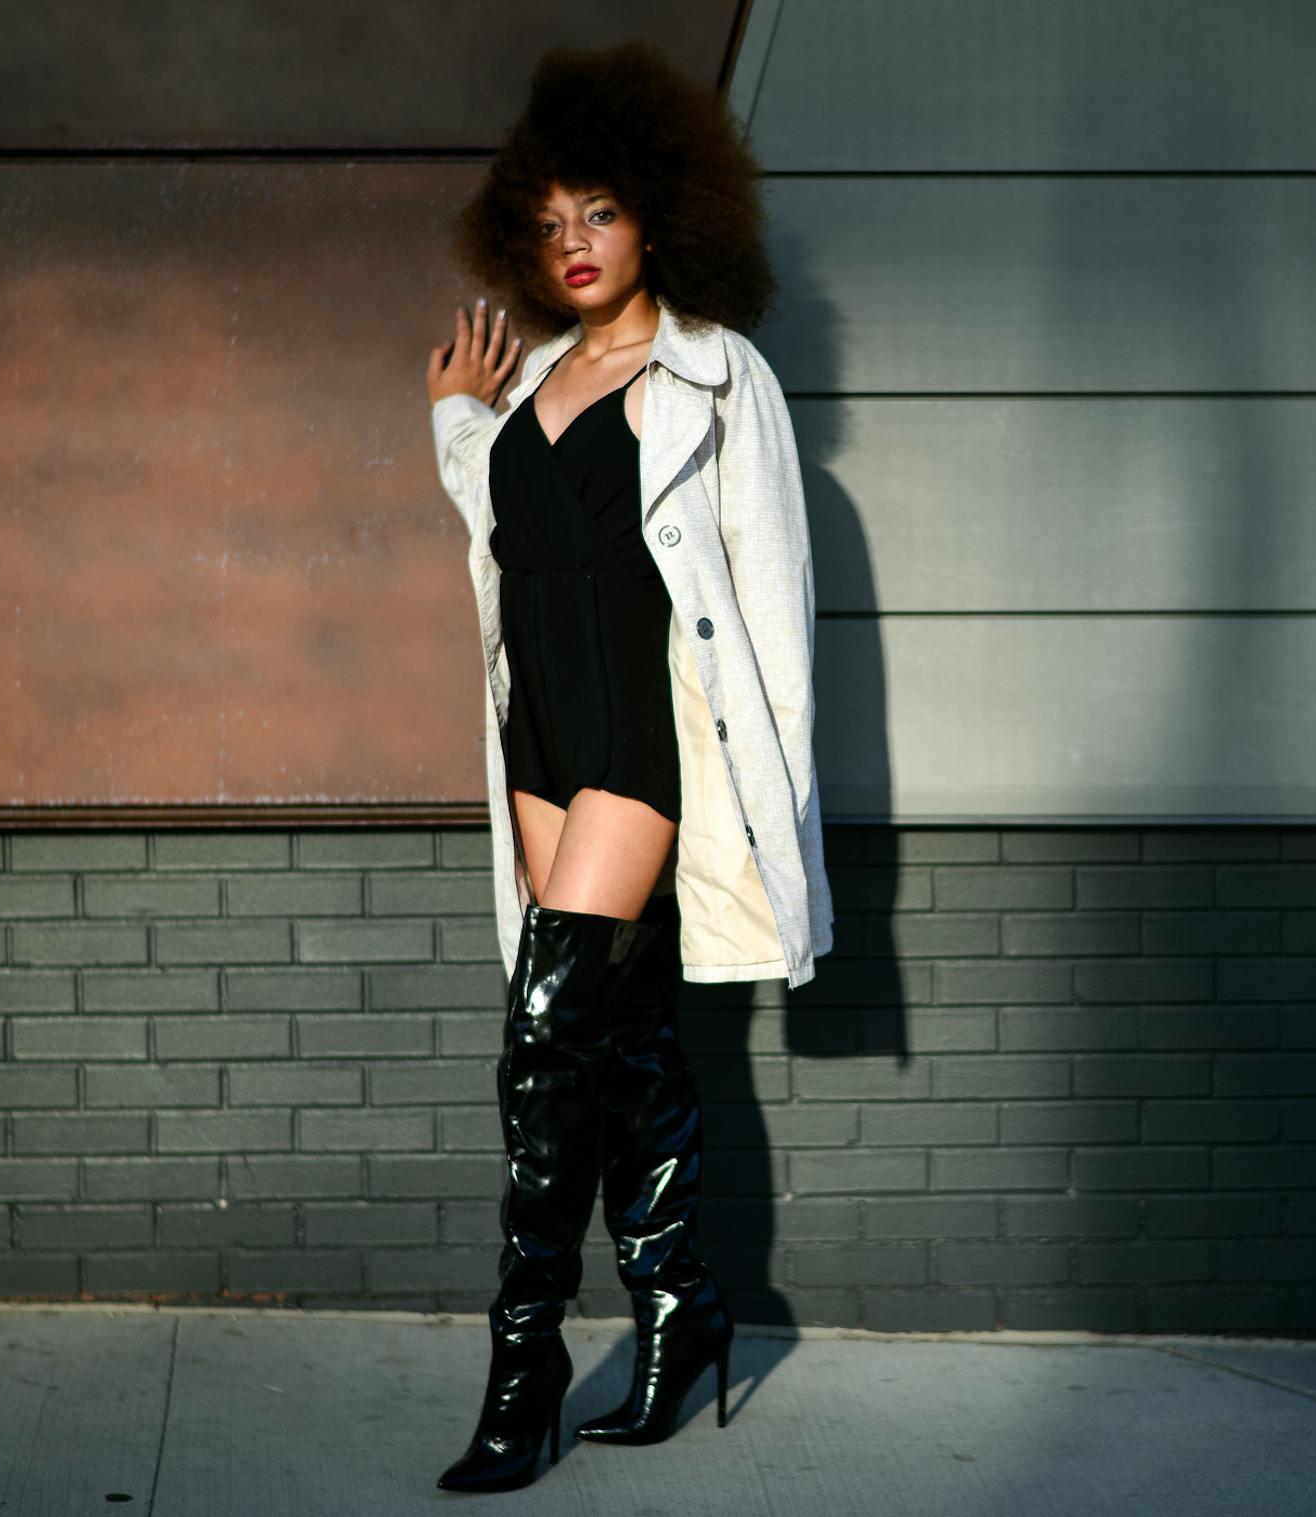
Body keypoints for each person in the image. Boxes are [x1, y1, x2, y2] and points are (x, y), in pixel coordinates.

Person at [421, 39, 833, 1494]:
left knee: (541, 1047)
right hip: (539, 734)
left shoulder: (720, 378)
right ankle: (681, 1310)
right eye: (549, 220)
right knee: (621, 1039)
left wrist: (776, 808)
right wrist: (459, 423)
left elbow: (771, 603)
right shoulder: (533, 371)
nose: (573, 243)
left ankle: (520, 1370)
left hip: (644, 747)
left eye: (599, 211)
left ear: (663, 211)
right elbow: (512, 533)